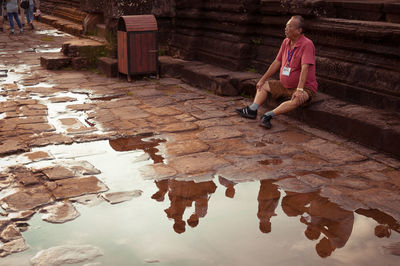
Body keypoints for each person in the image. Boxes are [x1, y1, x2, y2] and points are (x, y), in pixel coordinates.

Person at [235, 15, 318, 129]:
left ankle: (268, 115)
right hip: (285, 85)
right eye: (286, 26)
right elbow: (276, 62)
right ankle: (252, 110)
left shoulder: (307, 44)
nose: (286, 29)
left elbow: (305, 68)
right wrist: (262, 79)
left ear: (299, 30)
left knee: (297, 100)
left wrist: (299, 89)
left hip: (304, 87)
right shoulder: (286, 42)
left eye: (289, 26)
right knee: (263, 85)